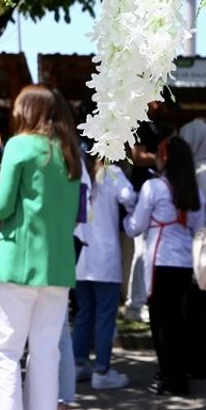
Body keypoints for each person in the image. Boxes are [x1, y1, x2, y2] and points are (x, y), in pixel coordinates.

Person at [0, 85, 82, 410]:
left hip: (17, 261)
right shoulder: (69, 151)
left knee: (3, 350)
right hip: (58, 265)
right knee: (47, 351)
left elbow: (1, 209)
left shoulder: (19, 146)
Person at [125, 135, 206, 396]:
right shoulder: (197, 192)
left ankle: (168, 376)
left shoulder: (153, 188)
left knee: (162, 323)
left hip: (160, 261)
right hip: (185, 262)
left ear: (165, 159)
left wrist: (126, 216)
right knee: (180, 321)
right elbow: (198, 227)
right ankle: (180, 374)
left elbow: (135, 226)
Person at [74, 157, 137, 389]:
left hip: (81, 253)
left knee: (84, 312)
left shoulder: (79, 170)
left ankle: (78, 363)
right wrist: (132, 213)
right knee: (105, 315)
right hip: (105, 254)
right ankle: (102, 369)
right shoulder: (112, 173)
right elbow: (128, 196)